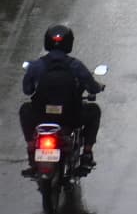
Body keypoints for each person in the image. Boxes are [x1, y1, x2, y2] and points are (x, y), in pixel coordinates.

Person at [19, 24, 103, 175]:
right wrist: (98, 87)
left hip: (41, 117)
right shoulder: (75, 65)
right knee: (94, 111)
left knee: (24, 109)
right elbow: (92, 87)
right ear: (69, 43)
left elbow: (27, 90)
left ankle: (31, 149)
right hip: (71, 117)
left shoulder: (37, 65)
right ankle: (87, 155)